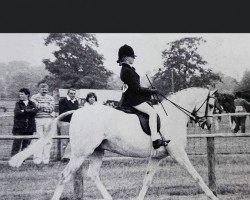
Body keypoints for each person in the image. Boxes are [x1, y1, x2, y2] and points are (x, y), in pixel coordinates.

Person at [117, 44, 170, 150]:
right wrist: (150, 91)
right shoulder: (127, 70)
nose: (133, 59)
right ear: (127, 57)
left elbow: (137, 87)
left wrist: (149, 91)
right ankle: (155, 140)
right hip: (133, 100)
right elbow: (136, 89)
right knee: (152, 113)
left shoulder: (127, 69)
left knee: (153, 110)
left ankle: (161, 136)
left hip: (133, 98)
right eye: (132, 57)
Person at [31, 83, 55, 164]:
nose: (44, 90)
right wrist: (45, 106)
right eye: (42, 89)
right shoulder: (34, 97)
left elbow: (51, 109)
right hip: (38, 119)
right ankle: (37, 160)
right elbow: (35, 106)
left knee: (48, 140)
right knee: (38, 139)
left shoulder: (51, 98)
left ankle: (46, 160)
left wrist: (40, 106)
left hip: (48, 120)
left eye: (46, 89)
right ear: (39, 89)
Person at [11, 88, 38, 157]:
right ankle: (13, 159)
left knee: (26, 145)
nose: (20, 96)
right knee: (16, 144)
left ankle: (22, 159)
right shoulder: (18, 104)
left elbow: (35, 112)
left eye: (22, 94)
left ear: (27, 95)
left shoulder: (32, 103)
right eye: (20, 94)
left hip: (29, 127)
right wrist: (29, 111)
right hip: (19, 127)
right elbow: (17, 113)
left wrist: (24, 111)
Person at [58, 88, 79, 162]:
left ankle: (67, 156)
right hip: (65, 122)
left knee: (72, 140)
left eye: (74, 93)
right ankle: (62, 157)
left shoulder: (76, 101)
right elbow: (63, 112)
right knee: (64, 140)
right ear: (68, 94)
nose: (73, 95)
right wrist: (73, 112)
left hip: (73, 123)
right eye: (71, 93)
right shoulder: (63, 101)